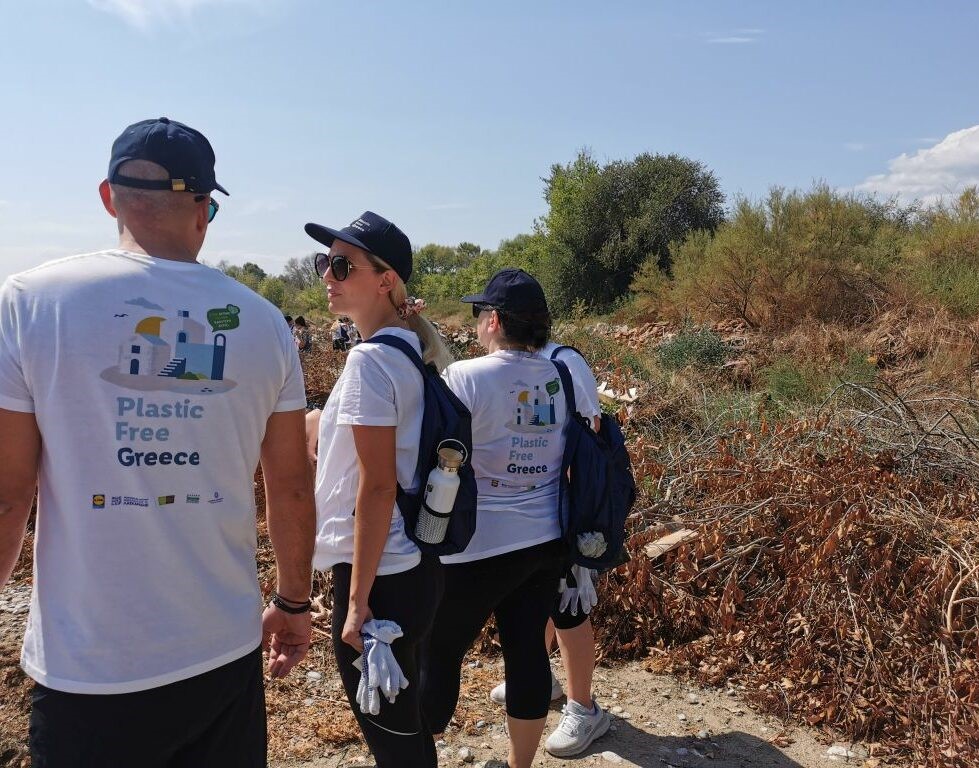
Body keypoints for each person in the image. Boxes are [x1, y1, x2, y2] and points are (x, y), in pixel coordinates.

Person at [0, 117, 315, 767]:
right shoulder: (262, 322)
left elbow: (9, 491)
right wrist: (292, 602)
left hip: (89, 664)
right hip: (221, 653)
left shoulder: (29, 303)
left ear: (108, 196)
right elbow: (287, 483)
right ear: (205, 209)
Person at [420, 269, 600, 768]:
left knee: (439, 652)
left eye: (481, 314)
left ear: (494, 320)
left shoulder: (466, 377)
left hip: (476, 544)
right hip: (544, 538)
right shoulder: (559, 375)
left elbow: (437, 449)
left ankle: (417, 752)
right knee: (525, 654)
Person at [303, 211, 454, 768]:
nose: (327, 274)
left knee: (389, 735)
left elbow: (377, 487)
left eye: (342, 265)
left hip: (379, 575)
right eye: (325, 262)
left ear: (386, 280)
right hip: (412, 564)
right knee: (405, 720)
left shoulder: (370, 361)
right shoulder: (406, 353)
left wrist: (358, 601)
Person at [487, 340, 610, 757]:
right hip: (536, 514)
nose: (481, 326)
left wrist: (580, 522)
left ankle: (584, 707)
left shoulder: (563, 362)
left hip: (565, 511)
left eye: (484, 315)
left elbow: (587, 438)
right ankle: (542, 678)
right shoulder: (514, 366)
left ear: (500, 320)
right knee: (540, 599)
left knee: (570, 608)